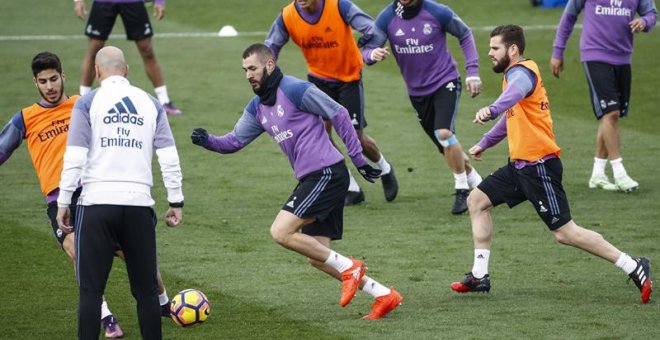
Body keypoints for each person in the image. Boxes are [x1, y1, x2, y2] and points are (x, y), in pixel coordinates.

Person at [191, 43, 403, 319]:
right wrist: (208, 141)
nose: (248, 75)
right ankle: (383, 294)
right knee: (319, 256)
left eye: (252, 68)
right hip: (314, 177)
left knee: (281, 231)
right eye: (244, 70)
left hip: (326, 173)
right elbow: (233, 141)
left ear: (269, 65)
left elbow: (337, 112)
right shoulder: (257, 107)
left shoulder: (294, 89)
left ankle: (352, 267)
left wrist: (359, 158)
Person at [449, 25, 652, 304]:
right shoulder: (513, 77)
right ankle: (479, 275)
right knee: (477, 201)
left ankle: (633, 265)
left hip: (539, 167)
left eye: (495, 48)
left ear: (512, 50)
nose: (490, 54)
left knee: (565, 233)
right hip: (519, 166)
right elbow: (511, 116)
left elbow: (513, 96)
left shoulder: (521, 74)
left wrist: (491, 107)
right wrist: (485, 142)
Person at [0, 52, 173, 338]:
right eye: (43, 81)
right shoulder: (25, 118)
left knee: (137, 258)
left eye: (53, 79)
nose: (50, 86)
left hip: (94, 193)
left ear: (63, 76)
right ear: (35, 83)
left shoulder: (85, 105)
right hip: (59, 199)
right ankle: (107, 318)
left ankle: (165, 304)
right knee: (74, 250)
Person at [56, 46, 184, 339]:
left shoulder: (87, 103)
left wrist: (64, 201)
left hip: (97, 206)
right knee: (147, 293)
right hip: (138, 206)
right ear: (126, 70)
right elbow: (169, 156)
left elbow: (74, 156)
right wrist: (176, 200)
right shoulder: (151, 103)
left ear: (98, 72)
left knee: (90, 292)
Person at [265, 0, 399, 205]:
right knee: (323, 136)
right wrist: (266, 74)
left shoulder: (339, 6)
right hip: (318, 81)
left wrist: (370, 52)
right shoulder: (287, 16)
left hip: (348, 79)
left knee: (355, 137)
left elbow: (373, 28)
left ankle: (384, 168)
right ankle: (352, 187)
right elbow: (271, 47)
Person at [365, 0, 483, 214]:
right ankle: (479, 184)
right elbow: (369, 48)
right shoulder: (387, 17)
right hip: (416, 92)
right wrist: (372, 55)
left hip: (445, 81)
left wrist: (472, 71)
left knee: (444, 133)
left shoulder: (437, 12)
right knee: (446, 145)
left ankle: (461, 189)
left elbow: (465, 34)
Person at [550, 0, 657, 192]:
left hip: (624, 57)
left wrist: (644, 22)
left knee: (610, 116)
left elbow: (651, 14)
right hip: (594, 54)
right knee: (611, 113)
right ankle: (619, 172)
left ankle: (598, 174)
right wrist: (558, 51)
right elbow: (569, 16)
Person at [73, 0, 183, 115]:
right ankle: (82, 103)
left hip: (133, 2)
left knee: (147, 50)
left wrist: (160, 2)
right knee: (94, 50)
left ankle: (164, 101)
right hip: (103, 2)